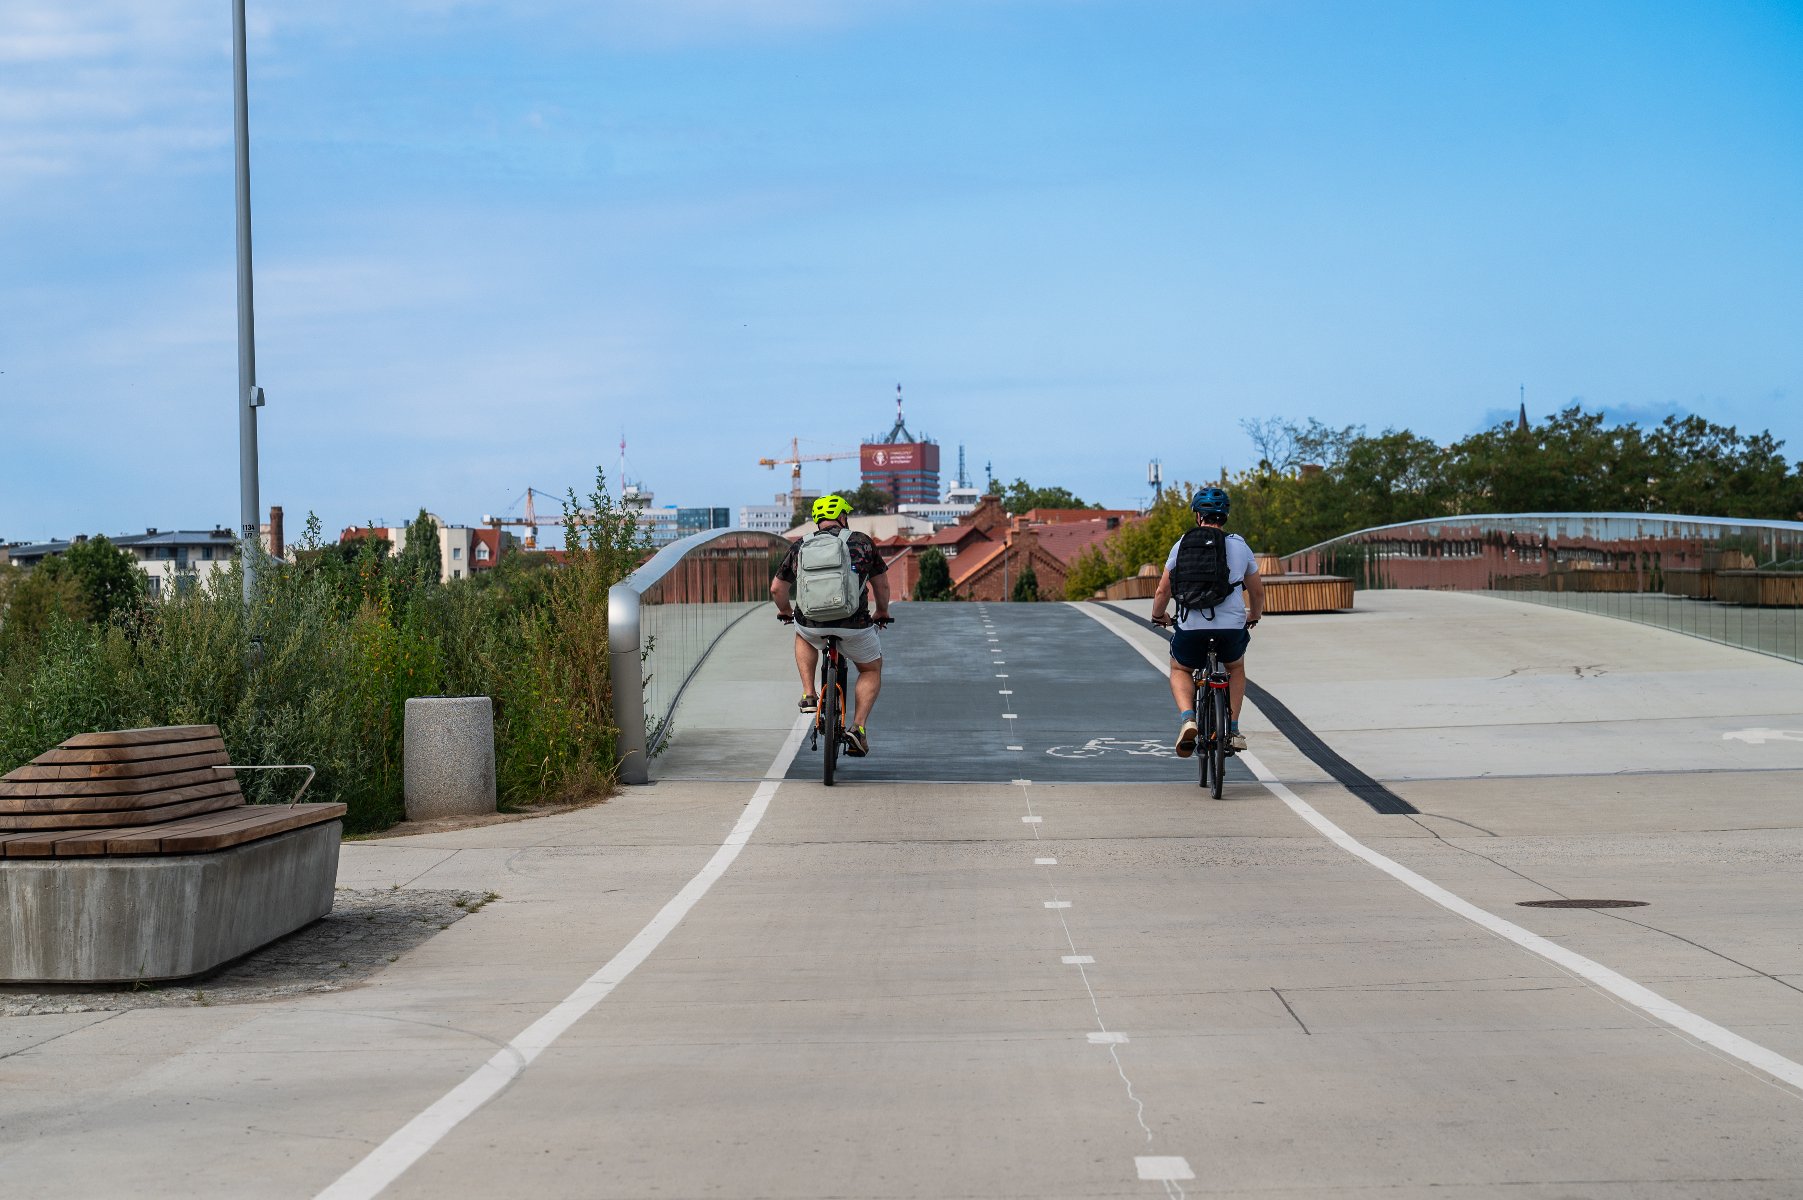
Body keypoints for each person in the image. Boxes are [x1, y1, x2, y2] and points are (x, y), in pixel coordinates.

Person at [771, 494, 892, 757]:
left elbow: (777, 588)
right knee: (871, 669)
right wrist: (881, 611)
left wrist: (786, 611)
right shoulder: (861, 542)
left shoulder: (800, 546)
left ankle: (809, 695)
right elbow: (881, 584)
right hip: (855, 625)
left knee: (802, 635)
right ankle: (858, 729)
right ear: (842, 517)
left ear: (818, 520)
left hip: (813, 623)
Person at [1150, 486, 1264, 757]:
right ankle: (1233, 729)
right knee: (1235, 668)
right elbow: (1257, 592)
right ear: (1224, 516)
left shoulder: (1182, 545)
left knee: (1180, 668)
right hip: (1230, 629)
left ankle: (1189, 718)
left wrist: (1158, 616)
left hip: (1191, 628)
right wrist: (1254, 615)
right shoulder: (1240, 545)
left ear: (1198, 516)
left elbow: (1162, 591)